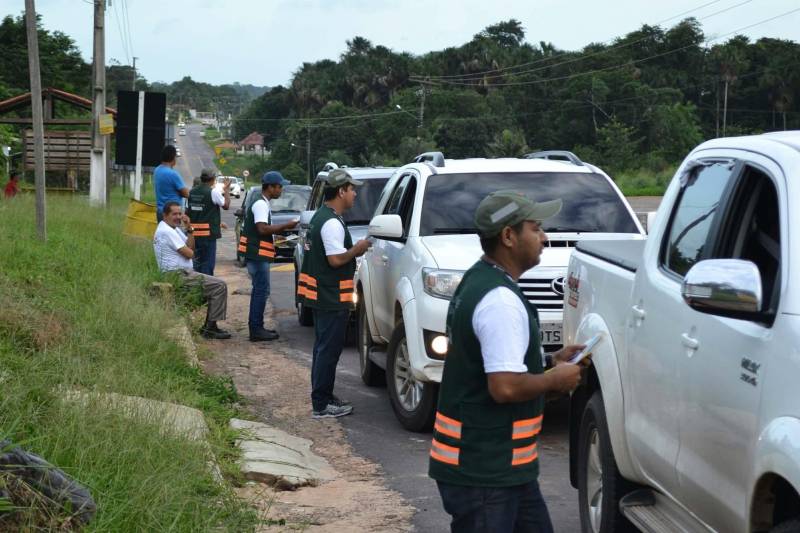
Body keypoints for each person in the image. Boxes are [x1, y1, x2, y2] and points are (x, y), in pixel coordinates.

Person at [428, 190, 585, 533]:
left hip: (500, 468)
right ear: (509, 236)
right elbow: (505, 386)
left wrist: (547, 362)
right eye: (536, 228)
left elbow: (492, 362)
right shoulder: (500, 300)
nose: (545, 238)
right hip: (486, 472)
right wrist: (555, 379)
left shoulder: (480, 279)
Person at [297, 169, 371, 419]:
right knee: (327, 351)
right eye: (352, 189)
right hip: (329, 298)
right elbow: (336, 259)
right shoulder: (330, 223)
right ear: (341, 191)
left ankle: (325, 396)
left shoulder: (325, 217)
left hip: (323, 296)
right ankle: (321, 404)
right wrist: (357, 249)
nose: (355, 193)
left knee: (324, 349)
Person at [153, 201, 231, 340]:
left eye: (180, 213)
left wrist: (189, 229)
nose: (178, 217)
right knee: (219, 286)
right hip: (177, 275)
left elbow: (191, 246)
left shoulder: (173, 228)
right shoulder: (166, 231)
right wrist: (190, 249)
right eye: (174, 214)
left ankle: (209, 326)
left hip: (183, 273)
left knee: (214, 286)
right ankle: (210, 328)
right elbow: (190, 253)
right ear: (165, 215)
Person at [238, 171, 298, 342]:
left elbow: (263, 231)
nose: (281, 190)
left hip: (258, 254)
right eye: (280, 187)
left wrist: (278, 237)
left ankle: (257, 326)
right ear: (270, 187)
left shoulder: (261, 203)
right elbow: (262, 229)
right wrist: (286, 225)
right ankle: (256, 329)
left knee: (261, 290)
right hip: (257, 255)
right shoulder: (261, 205)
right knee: (261, 291)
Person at [187, 168, 230, 275]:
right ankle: (207, 289)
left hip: (194, 236)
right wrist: (227, 190)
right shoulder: (213, 192)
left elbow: (189, 212)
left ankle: (197, 288)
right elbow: (226, 206)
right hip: (208, 236)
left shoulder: (191, 192)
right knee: (207, 265)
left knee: (196, 264)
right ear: (213, 179)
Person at [154, 145, 189, 222]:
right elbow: (186, 194)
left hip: (160, 211)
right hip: (173, 214)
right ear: (173, 158)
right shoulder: (173, 174)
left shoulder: (157, 170)